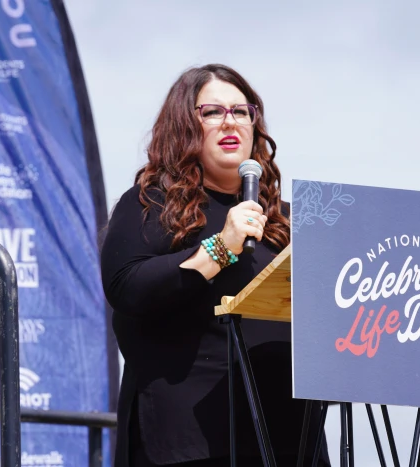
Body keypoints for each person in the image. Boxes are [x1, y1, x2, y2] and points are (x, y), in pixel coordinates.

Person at [100, 64, 331, 467]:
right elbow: (127, 289)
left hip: (291, 442)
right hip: (188, 444)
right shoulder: (149, 205)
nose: (231, 122)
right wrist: (222, 246)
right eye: (212, 112)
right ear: (183, 125)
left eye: (241, 112)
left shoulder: (290, 223)